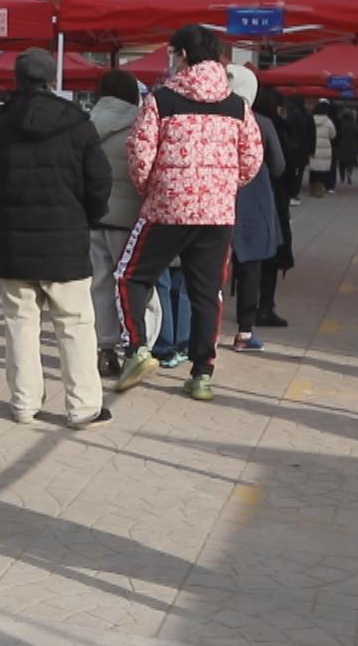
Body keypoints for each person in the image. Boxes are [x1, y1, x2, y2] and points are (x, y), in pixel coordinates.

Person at [112, 24, 263, 404]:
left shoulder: (160, 101)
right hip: (217, 213)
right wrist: (223, 187)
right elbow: (252, 160)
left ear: (181, 55)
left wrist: (155, 189)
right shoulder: (237, 107)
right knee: (206, 292)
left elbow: (140, 156)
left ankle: (136, 350)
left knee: (129, 275)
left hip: (168, 207)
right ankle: (201, 375)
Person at [0, 48, 112, 429]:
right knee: (74, 325)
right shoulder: (78, 124)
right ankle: (83, 407)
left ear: (16, 80)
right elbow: (99, 181)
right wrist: (87, 217)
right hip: (66, 242)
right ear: (52, 80)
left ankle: (24, 403)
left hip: (13, 242)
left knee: (19, 324)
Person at [88, 72, 158, 378]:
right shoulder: (141, 123)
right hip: (130, 220)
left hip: (94, 217)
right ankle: (140, 346)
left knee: (100, 285)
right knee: (139, 285)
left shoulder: (86, 124)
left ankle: (105, 349)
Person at [226, 66, 284, 352]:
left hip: (214, 199)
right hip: (253, 200)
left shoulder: (211, 121)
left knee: (210, 267)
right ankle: (244, 333)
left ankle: (201, 332)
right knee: (251, 268)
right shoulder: (262, 123)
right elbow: (279, 165)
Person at [255, 86, 296, 330]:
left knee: (246, 256)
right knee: (271, 251)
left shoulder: (240, 120)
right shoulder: (272, 126)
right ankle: (264, 307)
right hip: (270, 194)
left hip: (238, 195)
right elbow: (281, 166)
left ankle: (247, 310)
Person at [308, 99, 337, 197]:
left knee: (314, 169)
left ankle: (312, 188)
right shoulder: (328, 122)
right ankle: (320, 190)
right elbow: (333, 135)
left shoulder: (311, 120)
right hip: (325, 149)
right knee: (322, 171)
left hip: (314, 147)